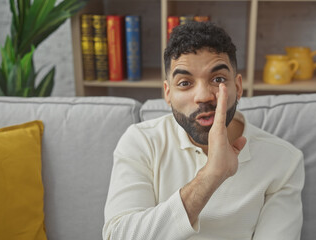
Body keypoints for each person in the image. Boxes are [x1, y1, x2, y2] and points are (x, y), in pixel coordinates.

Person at [103, 22, 305, 240]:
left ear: (237, 87)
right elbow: (118, 235)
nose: (203, 96)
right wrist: (211, 176)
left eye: (218, 80)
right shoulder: (140, 142)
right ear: (167, 93)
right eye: (184, 83)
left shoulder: (285, 160)